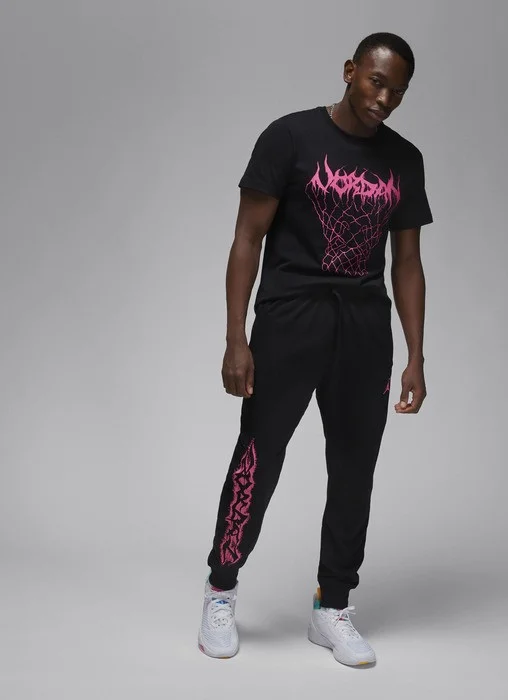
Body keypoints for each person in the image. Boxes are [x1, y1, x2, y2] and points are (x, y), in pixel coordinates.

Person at [198, 31, 433, 667]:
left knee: (355, 468)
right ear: (350, 70)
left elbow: (407, 262)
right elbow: (247, 238)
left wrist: (415, 354)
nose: (384, 98)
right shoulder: (290, 137)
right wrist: (236, 338)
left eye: (398, 91)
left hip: (364, 331)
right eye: (376, 81)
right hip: (289, 321)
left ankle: (333, 605)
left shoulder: (404, 160)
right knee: (259, 455)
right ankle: (221, 588)